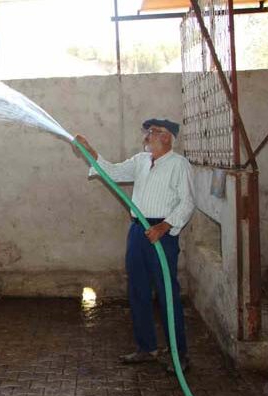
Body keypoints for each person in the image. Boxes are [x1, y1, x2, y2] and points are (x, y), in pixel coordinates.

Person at [73, 118, 195, 372]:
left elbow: (187, 202)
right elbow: (114, 172)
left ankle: (179, 354)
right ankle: (146, 347)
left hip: (163, 233)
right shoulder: (140, 160)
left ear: (167, 137)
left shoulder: (179, 165)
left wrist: (164, 227)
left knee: (166, 294)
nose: (148, 135)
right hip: (138, 230)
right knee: (138, 290)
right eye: (148, 131)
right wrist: (91, 151)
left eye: (154, 132)